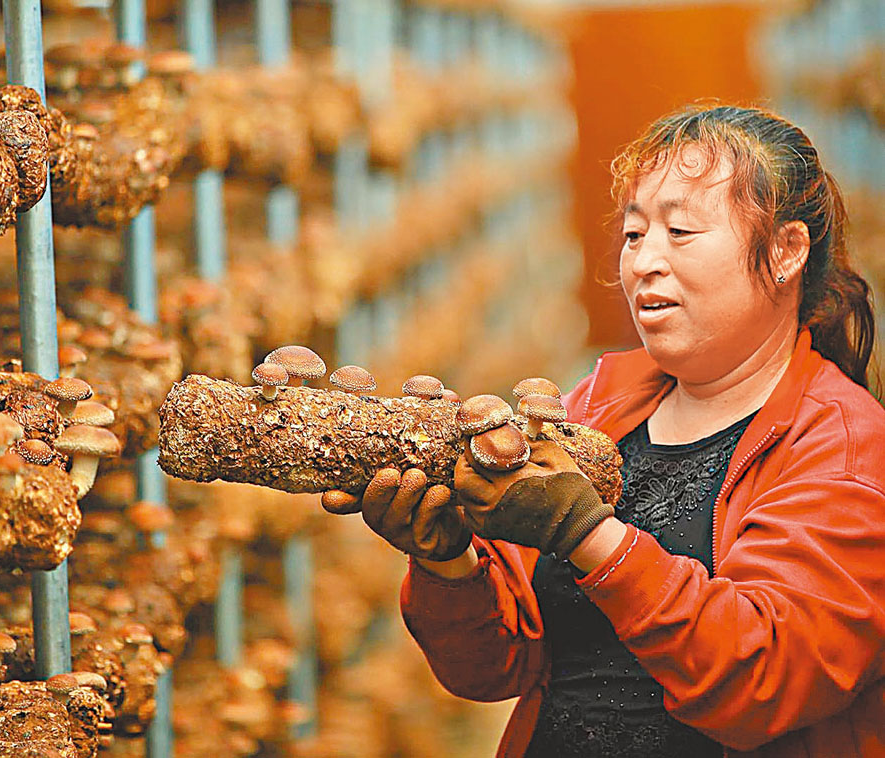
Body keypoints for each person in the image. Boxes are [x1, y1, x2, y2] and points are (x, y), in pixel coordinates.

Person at [322, 104, 885, 758]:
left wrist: (590, 537)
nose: (644, 261)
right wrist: (449, 561)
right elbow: (493, 669)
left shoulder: (844, 448)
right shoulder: (597, 407)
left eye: (680, 231)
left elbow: (762, 678)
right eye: (634, 234)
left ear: (786, 251)